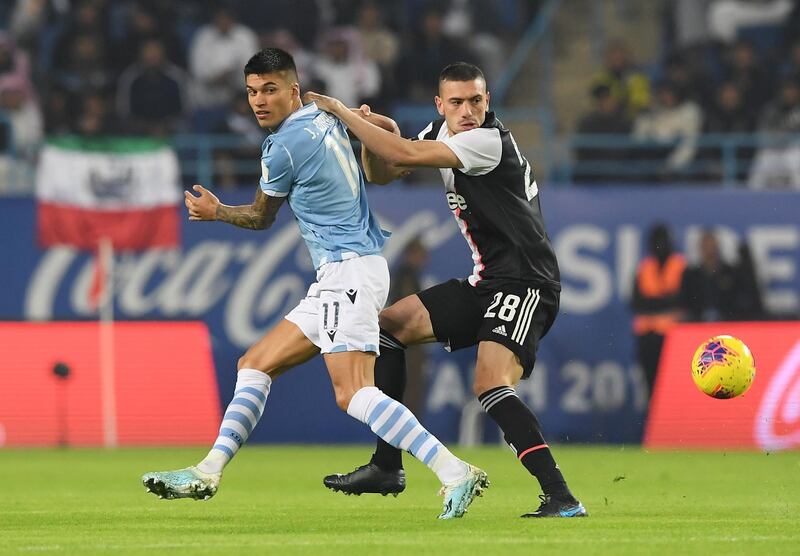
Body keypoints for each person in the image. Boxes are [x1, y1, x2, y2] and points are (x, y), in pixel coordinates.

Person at [141, 48, 488, 520]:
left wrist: (216, 211)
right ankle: (208, 470)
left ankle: (453, 471)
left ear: (293, 90)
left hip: (348, 272)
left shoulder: (282, 146)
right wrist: (370, 123)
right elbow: (384, 137)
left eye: (270, 90)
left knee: (353, 393)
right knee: (255, 363)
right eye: (252, 92)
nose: (259, 102)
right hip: (344, 273)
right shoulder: (324, 116)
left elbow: (262, 217)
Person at [305, 62, 587, 518]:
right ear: (441, 105)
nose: (467, 110)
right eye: (456, 102)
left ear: (487, 101)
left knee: (490, 383)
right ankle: (387, 466)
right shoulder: (440, 130)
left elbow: (408, 156)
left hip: (526, 280)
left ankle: (561, 496)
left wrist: (342, 113)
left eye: (476, 100)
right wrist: (375, 135)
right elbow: (384, 169)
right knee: (387, 328)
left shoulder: (488, 141)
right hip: (487, 281)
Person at [631, 223, 686, 397]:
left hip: (673, 335)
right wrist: (666, 301)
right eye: (656, 241)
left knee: (673, 387)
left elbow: (685, 299)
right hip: (647, 336)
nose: (660, 245)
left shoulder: (680, 265)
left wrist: (653, 303)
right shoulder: (645, 267)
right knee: (650, 386)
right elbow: (635, 302)